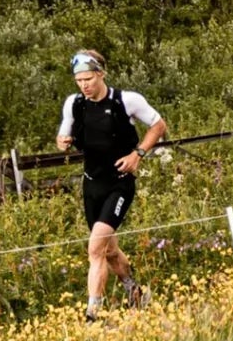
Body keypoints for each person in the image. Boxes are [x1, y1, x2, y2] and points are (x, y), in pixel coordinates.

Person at [56, 49, 167, 321]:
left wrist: (137, 155)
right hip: (91, 184)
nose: (84, 85)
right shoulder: (74, 103)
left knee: (95, 248)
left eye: (89, 79)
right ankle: (136, 293)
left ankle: (92, 315)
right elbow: (63, 133)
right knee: (109, 250)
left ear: (101, 74)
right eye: (79, 80)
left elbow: (158, 124)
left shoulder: (126, 100)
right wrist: (63, 141)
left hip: (119, 183)